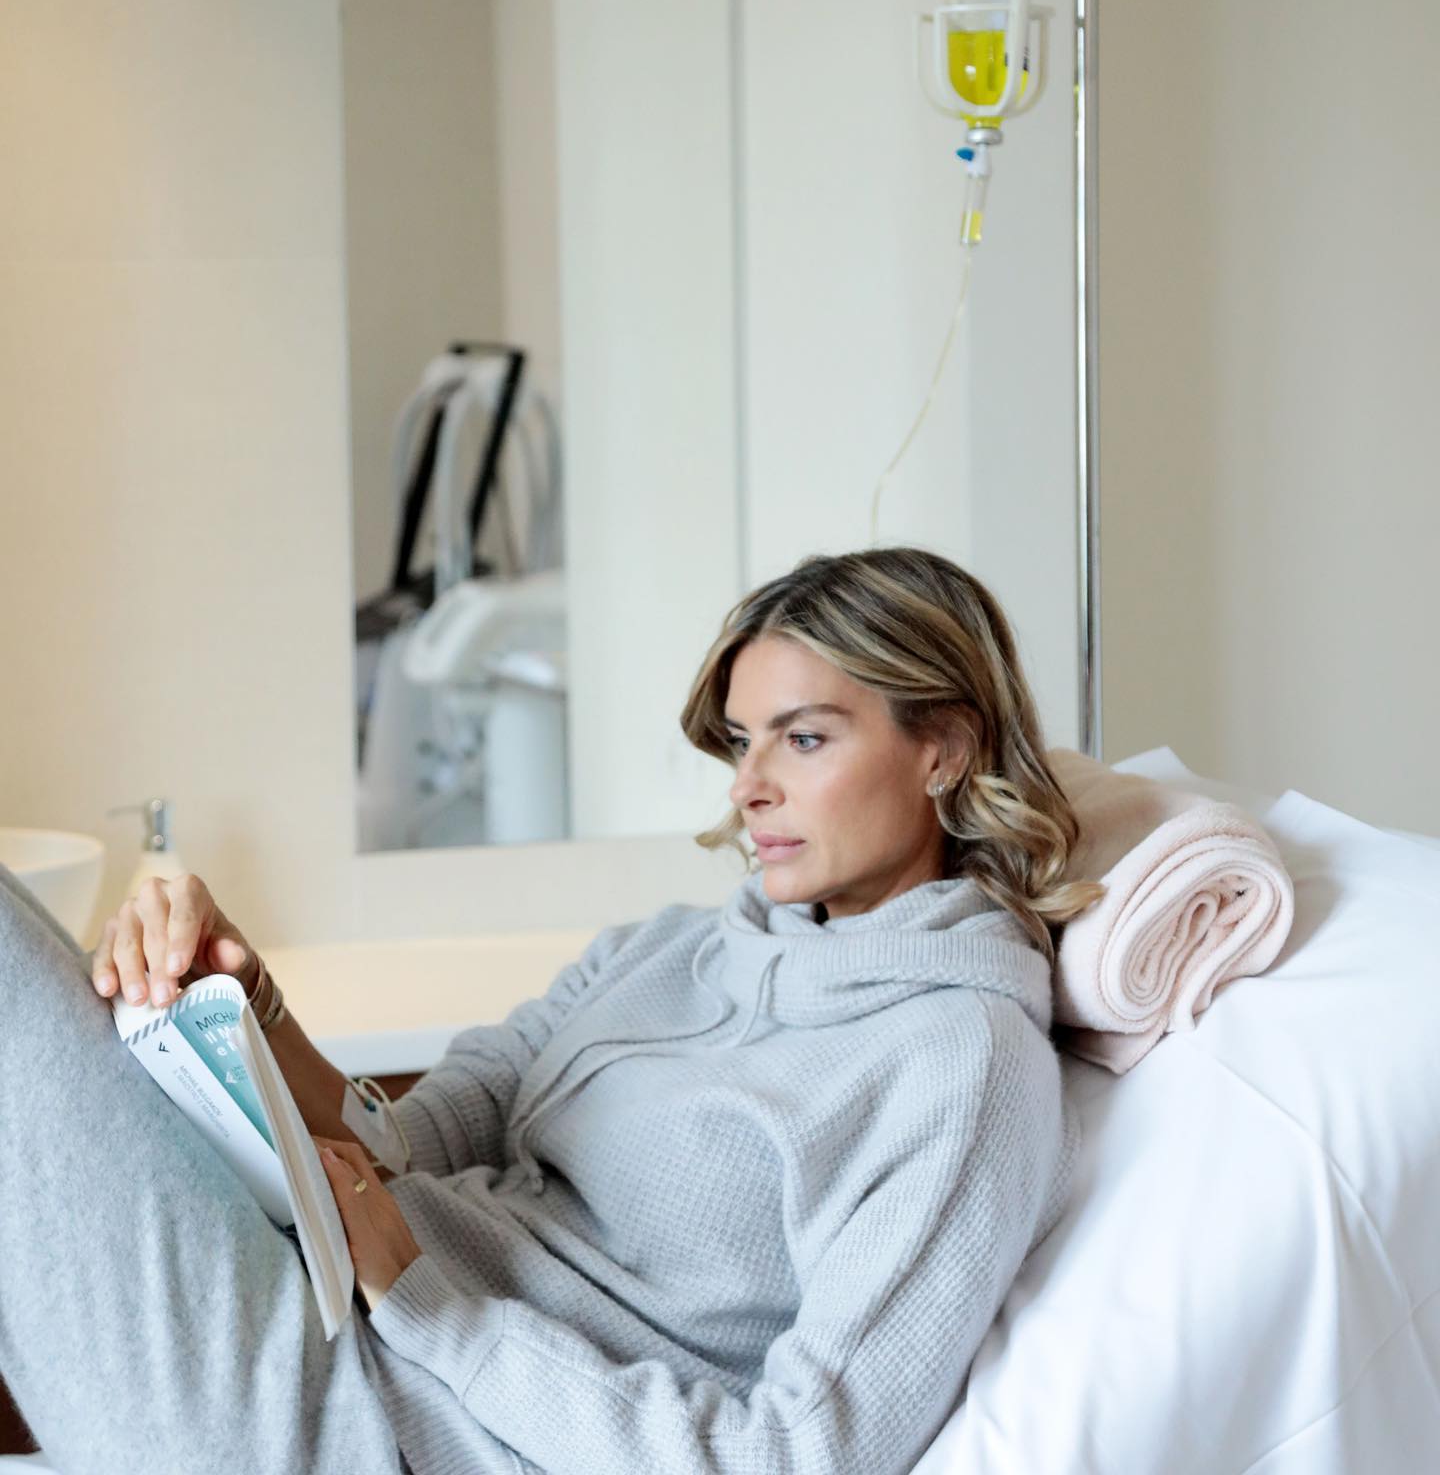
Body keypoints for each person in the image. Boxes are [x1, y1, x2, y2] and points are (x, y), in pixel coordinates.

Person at [0, 545, 1106, 1474]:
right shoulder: (668, 949)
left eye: (804, 739)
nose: (748, 785)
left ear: (945, 748)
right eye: (742, 740)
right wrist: (249, 1003)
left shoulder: (960, 1061)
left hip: (374, 1429)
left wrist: (429, 1304)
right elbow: (402, 1144)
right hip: (326, 1300)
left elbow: (798, 1454)